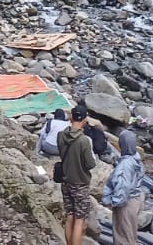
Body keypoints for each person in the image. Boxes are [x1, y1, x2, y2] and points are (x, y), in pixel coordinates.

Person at [59, 105, 98, 245]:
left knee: (70, 216)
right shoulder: (84, 140)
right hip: (80, 183)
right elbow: (90, 164)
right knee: (79, 219)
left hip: (65, 181)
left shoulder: (61, 135)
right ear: (85, 119)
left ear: (71, 117)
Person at [102, 130, 147, 245]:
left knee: (123, 238)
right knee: (130, 235)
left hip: (126, 204)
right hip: (135, 199)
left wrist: (113, 202)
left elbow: (123, 188)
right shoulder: (137, 159)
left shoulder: (125, 164)